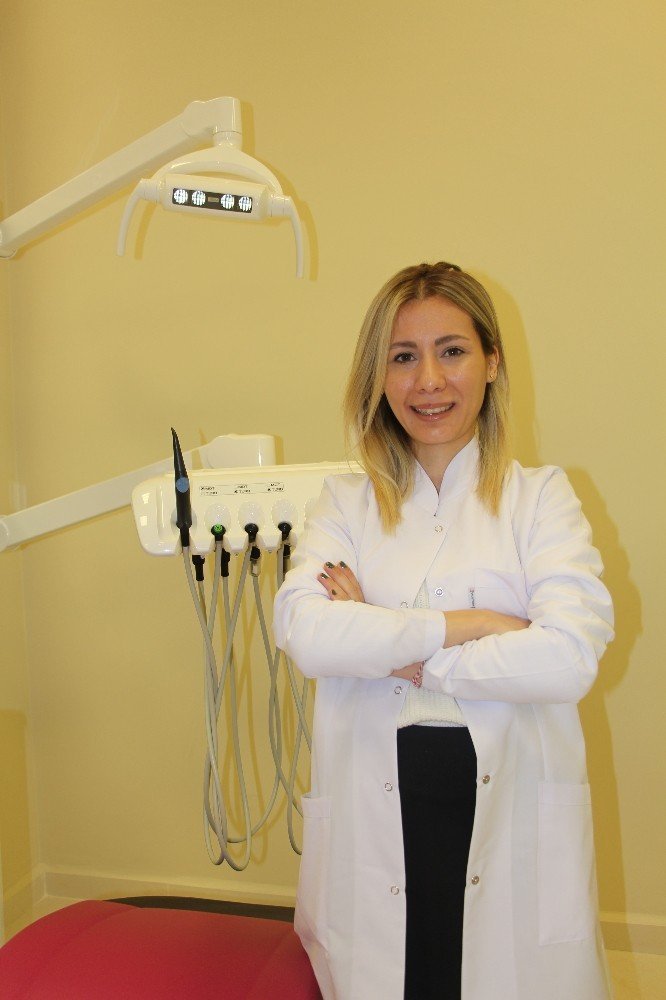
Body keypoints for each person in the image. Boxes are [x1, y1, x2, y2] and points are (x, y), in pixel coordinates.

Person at [273, 262, 614, 1000]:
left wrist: (401, 653)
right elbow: (305, 631)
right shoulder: (344, 503)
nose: (428, 380)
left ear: (492, 361)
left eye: (452, 350)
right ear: (378, 376)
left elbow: (569, 657)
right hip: (377, 803)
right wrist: (480, 626)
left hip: (506, 803)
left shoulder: (541, 500)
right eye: (403, 356)